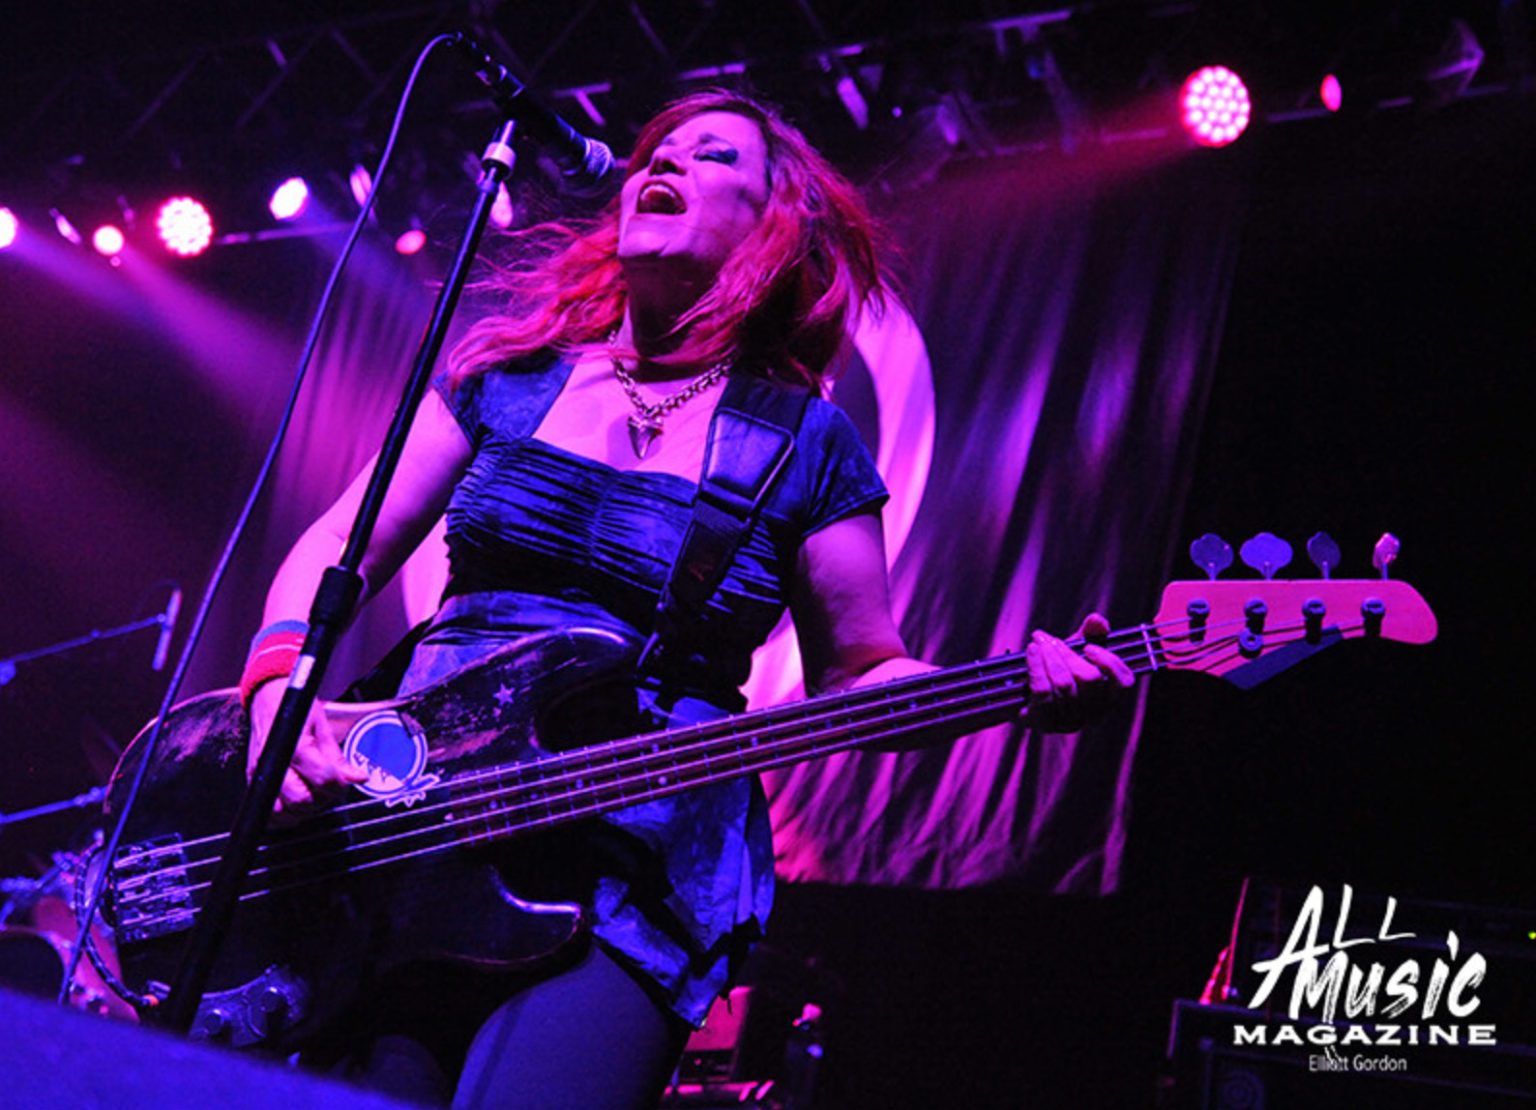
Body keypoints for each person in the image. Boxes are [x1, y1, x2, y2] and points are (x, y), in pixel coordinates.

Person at [241, 89, 1133, 1109]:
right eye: (659, 150)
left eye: (712, 157)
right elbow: (337, 543)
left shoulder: (803, 441)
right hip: (421, 822)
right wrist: (277, 691)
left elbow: (862, 670)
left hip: (638, 858)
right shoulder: (510, 379)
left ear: (772, 227)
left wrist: (1017, 689)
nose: (662, 163)